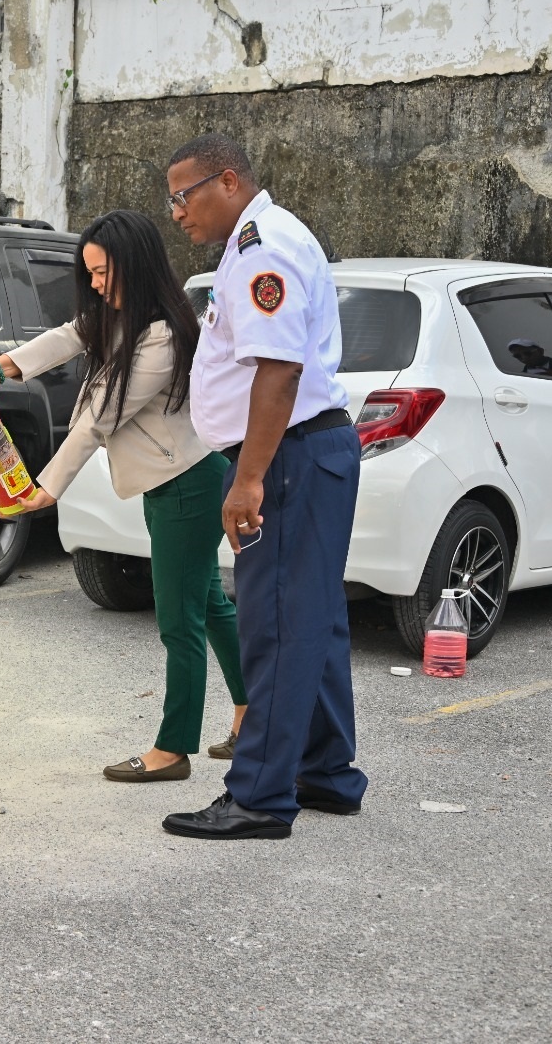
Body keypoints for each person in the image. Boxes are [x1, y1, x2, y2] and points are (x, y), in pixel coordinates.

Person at [0, 210, 247, 783]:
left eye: (101, 272)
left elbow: (99, 419)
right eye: (88, 274)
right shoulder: (118, 316)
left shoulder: (161, 333)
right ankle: (251, 712)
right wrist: (2, 365)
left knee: (180, 618)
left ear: (134, 265)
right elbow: (69, 335)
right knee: (209, 605)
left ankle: (172, 751)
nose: (94, 285)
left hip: (187, 485)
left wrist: (46, 487)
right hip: (171, 484)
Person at [159, 133, 367, 840]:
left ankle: (258, 795)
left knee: (276, 623)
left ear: (227, 181)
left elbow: (277, 374)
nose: (176, 213)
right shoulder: (255, 243)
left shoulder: (261, 248)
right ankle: (325, 772)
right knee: (314, 620)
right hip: (305, 453)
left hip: (287, 458)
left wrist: (247, 479)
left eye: (183, 196)